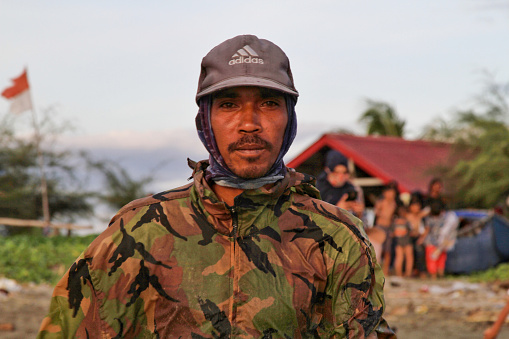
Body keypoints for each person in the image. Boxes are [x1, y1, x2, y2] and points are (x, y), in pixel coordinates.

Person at [37, 35, 394, 338]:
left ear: (290, 119)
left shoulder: (337, 237)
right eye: (229, 105)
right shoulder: (138, 231)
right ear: (205, 121)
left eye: (269, 104)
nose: (250, 123)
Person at [316, 149, 365, 220]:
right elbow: (313, 220)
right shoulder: (316, 188)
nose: (341, 177)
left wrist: (359, 214)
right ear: (327, 170)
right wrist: (337, 211)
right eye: (336, 172)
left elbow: (363, 224)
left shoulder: (353, 189)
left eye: (344, 172)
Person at [373, 181, 400, 276]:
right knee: (379, 250)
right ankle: (375, 270)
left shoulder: (394, 204)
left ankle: (386, 271)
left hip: (388, 228)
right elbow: (376, 212)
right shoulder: (381, 202)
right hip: (380, 227)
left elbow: (393, 217)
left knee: (388, 250)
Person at [405, 191, 429, 278]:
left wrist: (422, 238)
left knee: (419, 250)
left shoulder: (422, 216)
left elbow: (426, 229)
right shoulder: (407, 216)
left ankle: (422, 271)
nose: (416, 208)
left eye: (417, 206)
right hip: (408, 238)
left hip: (420, 238)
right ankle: (410, 271)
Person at [391, 206, 413, 277]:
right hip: (407, 241)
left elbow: (392, 233)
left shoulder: (395, 222)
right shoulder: (407, 222)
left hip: (398, 242)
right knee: (408, 258)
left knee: (399, 258)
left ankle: (399, 273)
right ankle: (407, 273)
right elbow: (411, 231)